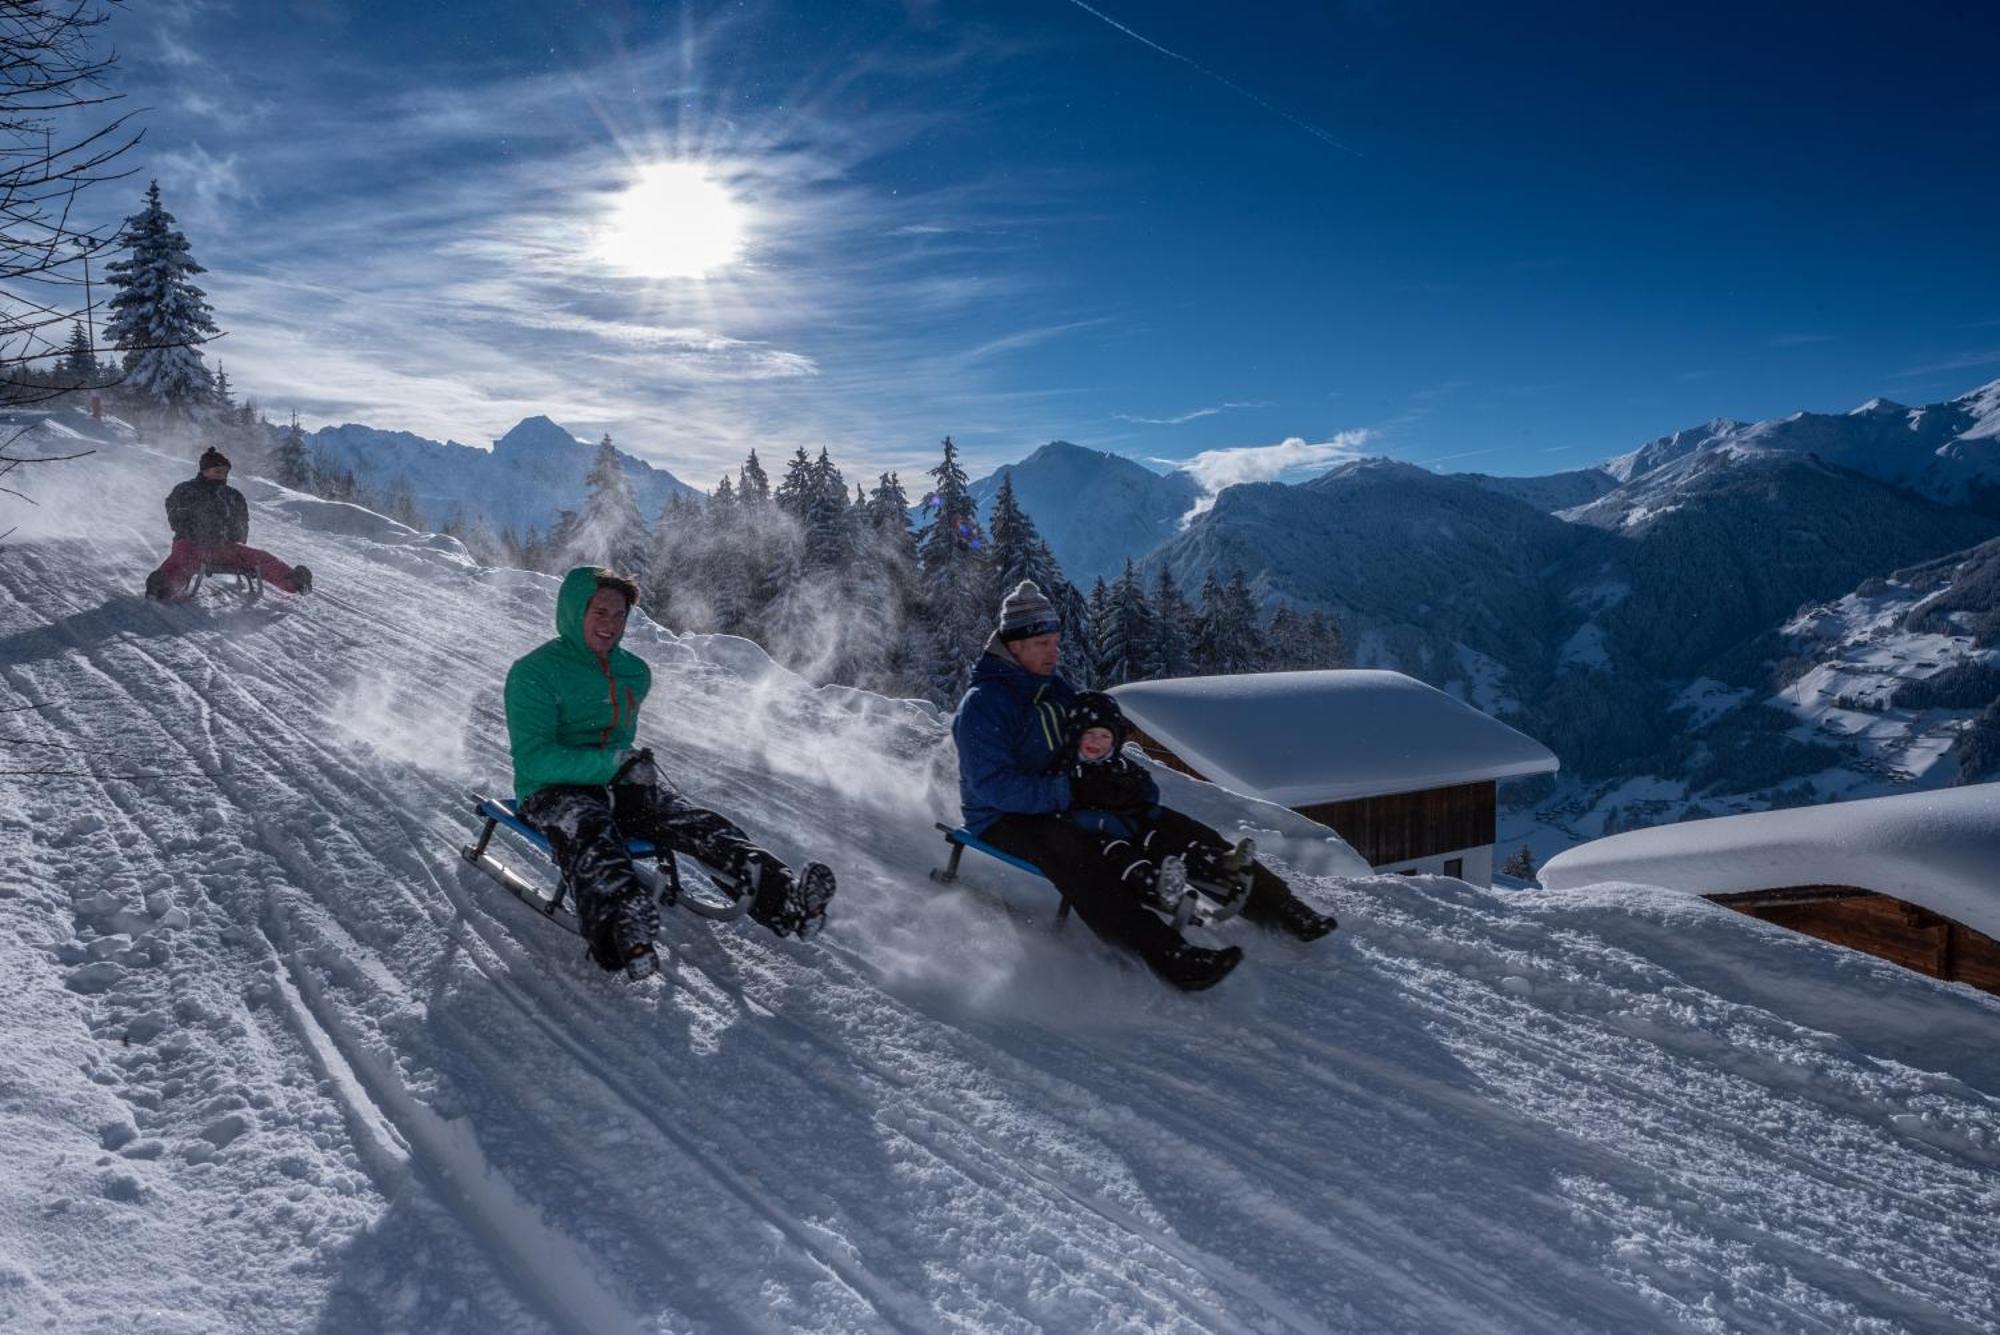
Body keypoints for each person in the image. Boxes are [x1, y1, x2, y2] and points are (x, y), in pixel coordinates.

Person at [952, 580, 1337, 992]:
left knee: (1173, 827)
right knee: (1081, 859)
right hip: (1005, 817)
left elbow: (1090, 743)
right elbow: (993, 786)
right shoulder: (984, 704)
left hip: (1066, 798)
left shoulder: (1054, 689)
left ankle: (1281, 906)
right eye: (1043, 643)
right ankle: (1169, 955)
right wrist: (1071, 791)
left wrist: (1122, 785)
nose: (1054, 652)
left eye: (1056, 642)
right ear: (1015, 646)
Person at [504, 565, 836, 973]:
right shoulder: (533, 673)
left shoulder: (634, 672)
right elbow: (534, 758)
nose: (611, 625)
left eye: (619, 615)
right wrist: (609, 765)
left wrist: (627, 769)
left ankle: (786, 901)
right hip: (550, 791)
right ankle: (622, 931)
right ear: (574, 612)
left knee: (696, 822)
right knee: (592, 833)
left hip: (615, 784)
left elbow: (619, 739)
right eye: (600, 612)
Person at [144, 448, 312, 600]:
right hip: (192, 543)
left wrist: (237, 538)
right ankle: (162, 587)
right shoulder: (186, 490)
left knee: (259, 557)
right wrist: (191, 529)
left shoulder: (233, 495)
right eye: (217, 471)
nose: (222, 475)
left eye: (224, 472)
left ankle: (293, 581)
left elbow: (242, 521)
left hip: (224, 547)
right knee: (183, 560)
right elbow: (174, 513)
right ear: (205, 470)